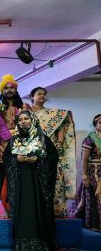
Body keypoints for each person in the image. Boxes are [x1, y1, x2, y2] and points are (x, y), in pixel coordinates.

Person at [3, 110, 59, 251]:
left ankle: (42, 244)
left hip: (38, 183)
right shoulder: (13, 140)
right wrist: (17, 160)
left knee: (39, 209)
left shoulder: (43, 139)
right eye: (20, 120)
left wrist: (39, 160)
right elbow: (7, 159)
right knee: (23, 211)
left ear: (32, 120)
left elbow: (53, 157)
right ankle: (23, 245)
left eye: (26, 119)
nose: (23, 122)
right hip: (21, 182)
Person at [0, 74, 32, 216]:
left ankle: (19, 209)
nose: (9, 90)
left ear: (16, 90)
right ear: (2, 91)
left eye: (12, 87)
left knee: (19, 180)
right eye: (6, 88)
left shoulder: (24, 106)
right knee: (0, 180)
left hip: (21, 150)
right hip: (1, 151)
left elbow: (33, 125)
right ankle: (6, 209)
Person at [30, 86, 77, 217]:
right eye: (39, 94)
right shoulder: (26, 113)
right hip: (32, 150)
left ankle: (56, 209)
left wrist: (59, 143)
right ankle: (35, 210)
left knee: (55, 178)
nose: (42, 96)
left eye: (44, 94)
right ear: (32, 97)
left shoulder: (54, 114)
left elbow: (61, 126)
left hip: (50, 151)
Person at [74, 114, 101, 231]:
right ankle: (95, 225)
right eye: (100, 123)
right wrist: (85, 177)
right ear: (95, 125)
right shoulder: (90, 138)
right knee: (97, 196)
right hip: (95, 171)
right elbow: (84, 159)